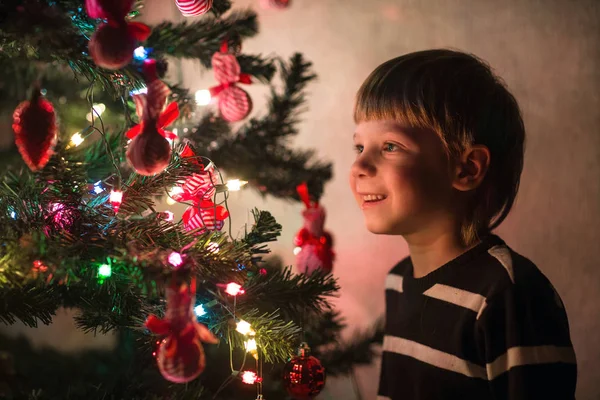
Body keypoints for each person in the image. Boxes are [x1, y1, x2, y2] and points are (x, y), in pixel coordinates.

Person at [350, 49, 577, 400]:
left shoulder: (507, 294)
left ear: (466, 169)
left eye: (390, 146)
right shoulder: (398, 282)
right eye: (359, 146)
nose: (360, 166)